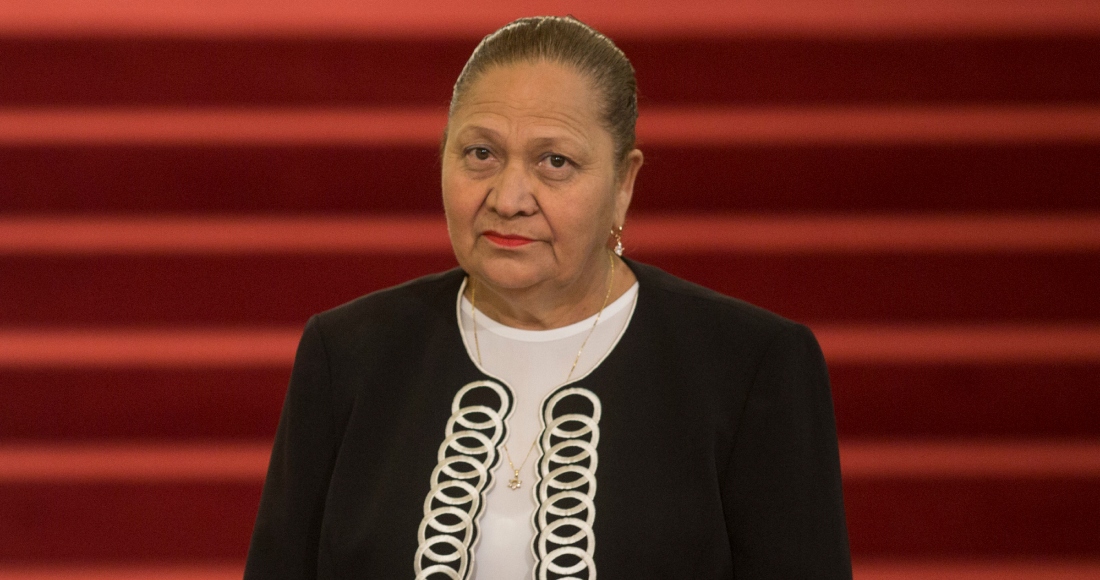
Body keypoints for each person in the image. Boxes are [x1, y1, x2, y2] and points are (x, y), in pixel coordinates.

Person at [244, 15, 851, 580]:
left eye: (554, 161)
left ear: (623, 184)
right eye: (479, 154)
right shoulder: (349, 353)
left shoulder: (751, 366)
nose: (509, 197)